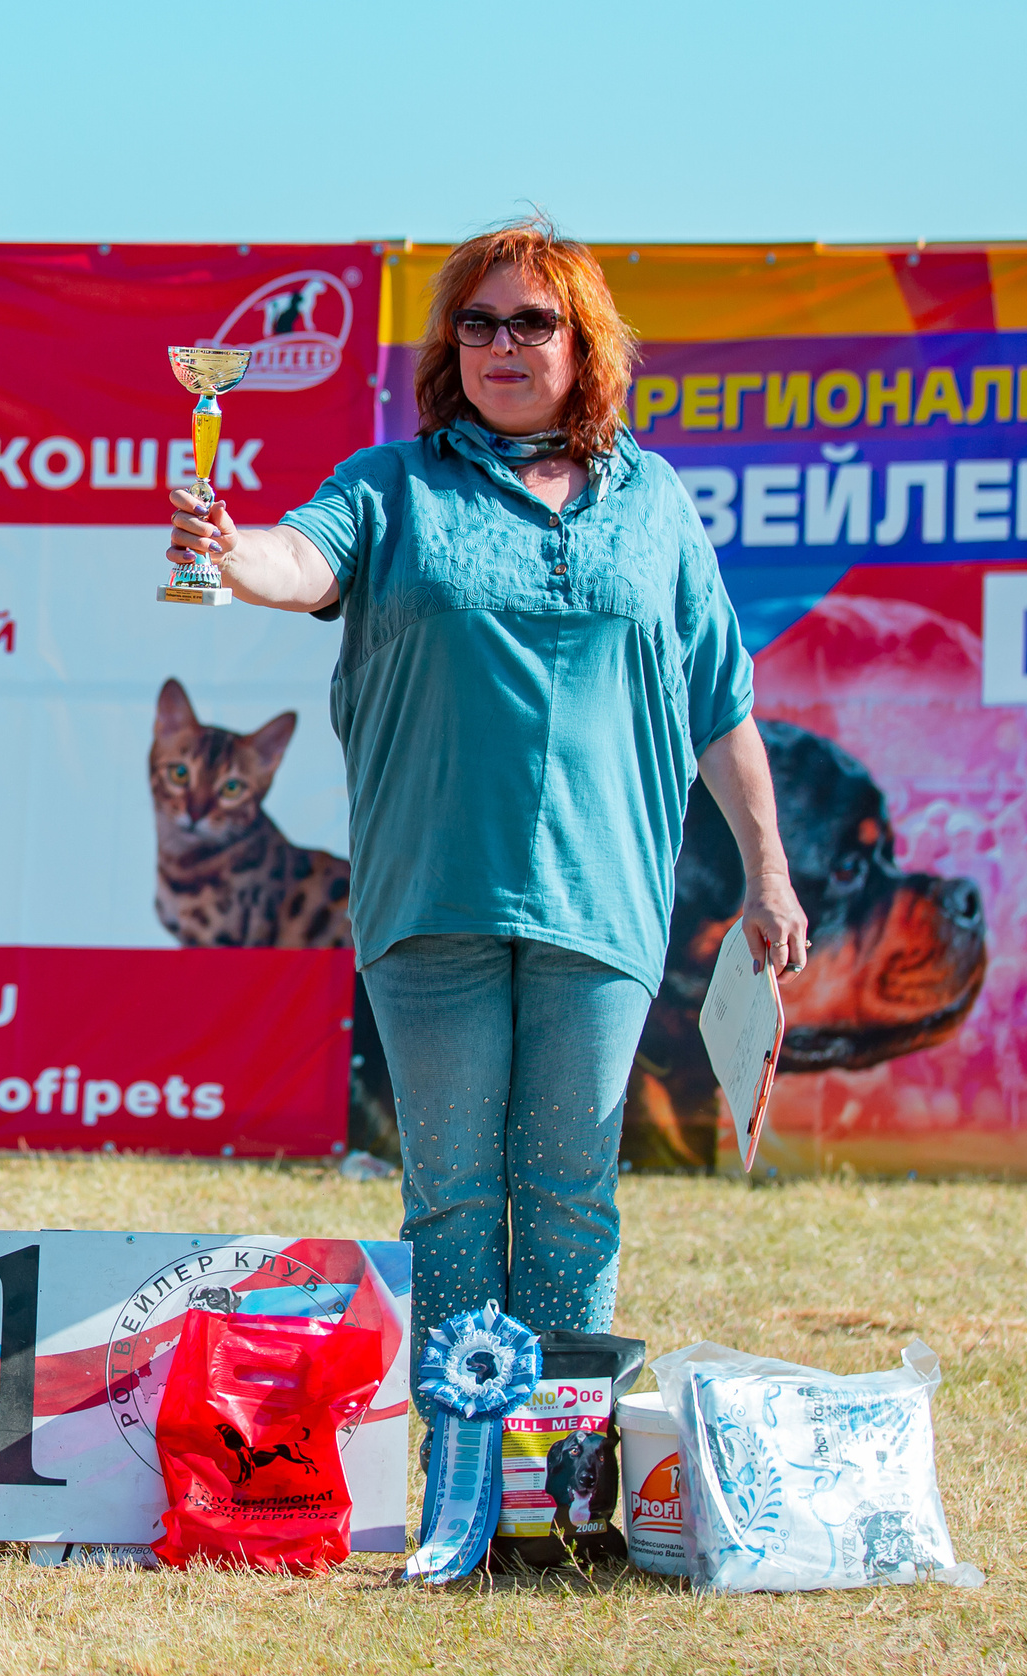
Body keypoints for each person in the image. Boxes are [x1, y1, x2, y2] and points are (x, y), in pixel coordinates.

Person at [163, 216, 809, 1367]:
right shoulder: (391, 484)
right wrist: (227, 546)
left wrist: (767, 873)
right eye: (476, 323)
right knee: (453, 1199)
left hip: (601, 902)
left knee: (570, 1195)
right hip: (430, 902)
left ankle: (554, 1491)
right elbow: (298, 561)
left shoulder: (654, 503)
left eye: (531, 321)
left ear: (586, 343)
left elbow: (722, 709)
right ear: (448, 348)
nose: (501, 343)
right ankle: (465, 1495)